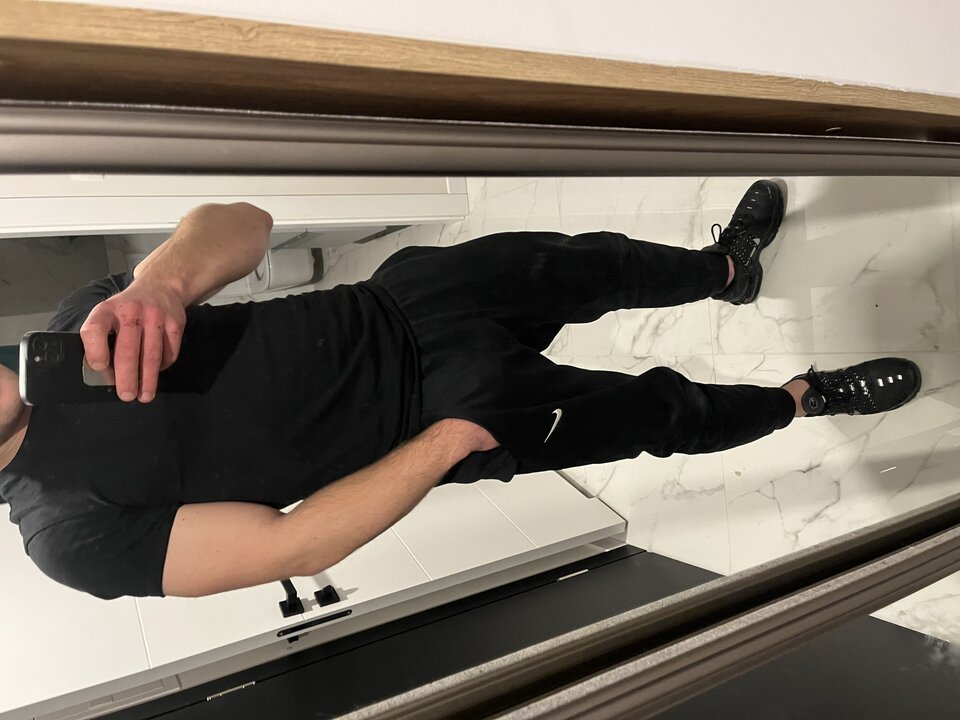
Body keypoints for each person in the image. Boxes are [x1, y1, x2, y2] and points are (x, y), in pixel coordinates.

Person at [0, 180, 921, 600]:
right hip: (437, 418)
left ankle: (725, 269)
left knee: (599, 265)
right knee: (661, 413)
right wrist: (443, 446)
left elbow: (246, 221)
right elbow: (289, 543)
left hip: (403, 298)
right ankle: (806, 398)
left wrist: (161, 281)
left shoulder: (81, 333)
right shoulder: (66, 536)